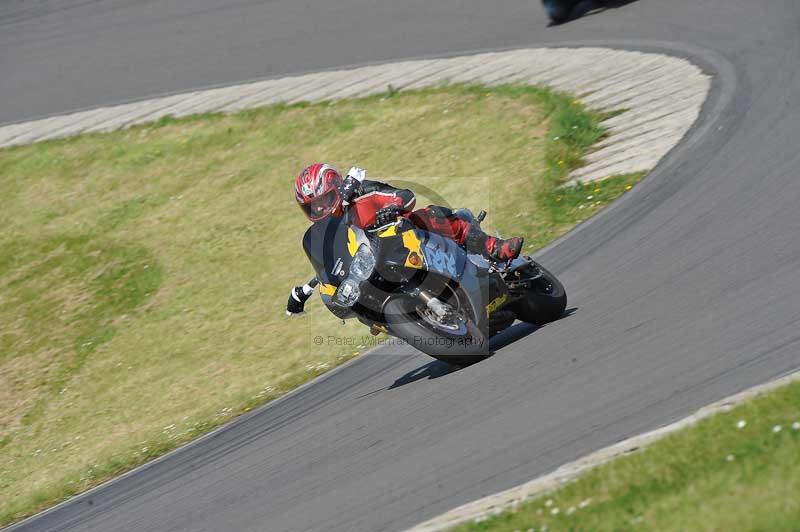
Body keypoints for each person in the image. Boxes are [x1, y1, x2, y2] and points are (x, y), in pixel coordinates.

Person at [286, 163, 523, 315]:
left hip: (403, 239)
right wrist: (314, 287)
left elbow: (404, 196)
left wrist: (391, 208)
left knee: (429, 215)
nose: (321, 210)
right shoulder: (324, 235)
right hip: (375, 268)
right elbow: (330, 262)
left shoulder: (361, 192)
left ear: (337, 188)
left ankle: (495, 247)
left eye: (324, 201)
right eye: (313, 208)